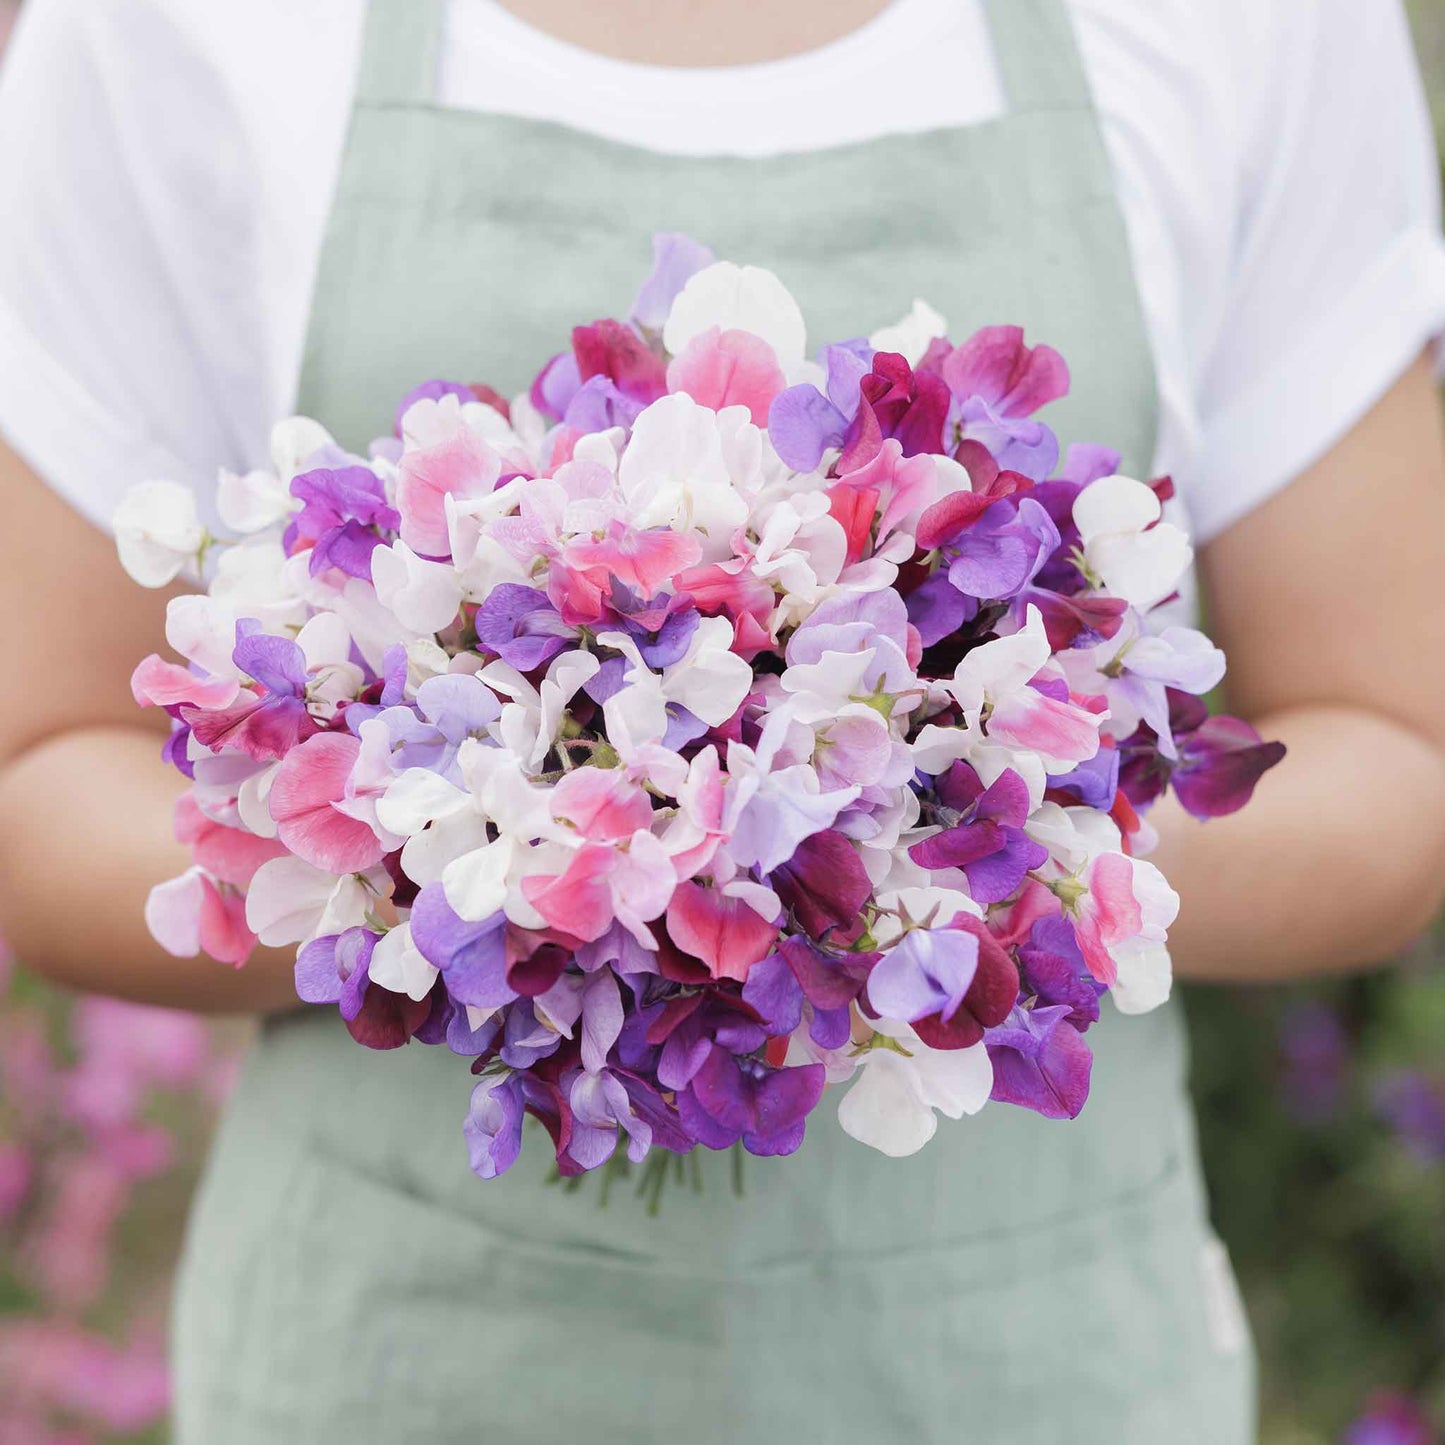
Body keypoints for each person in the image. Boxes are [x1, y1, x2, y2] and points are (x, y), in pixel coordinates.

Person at [2, 0, 1445, 1439]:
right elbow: (39, 771)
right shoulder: (162, 29)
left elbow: (1398, 759)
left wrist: (928, 862)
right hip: (406, 1369)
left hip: (1015, 1371)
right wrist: (498, 889)